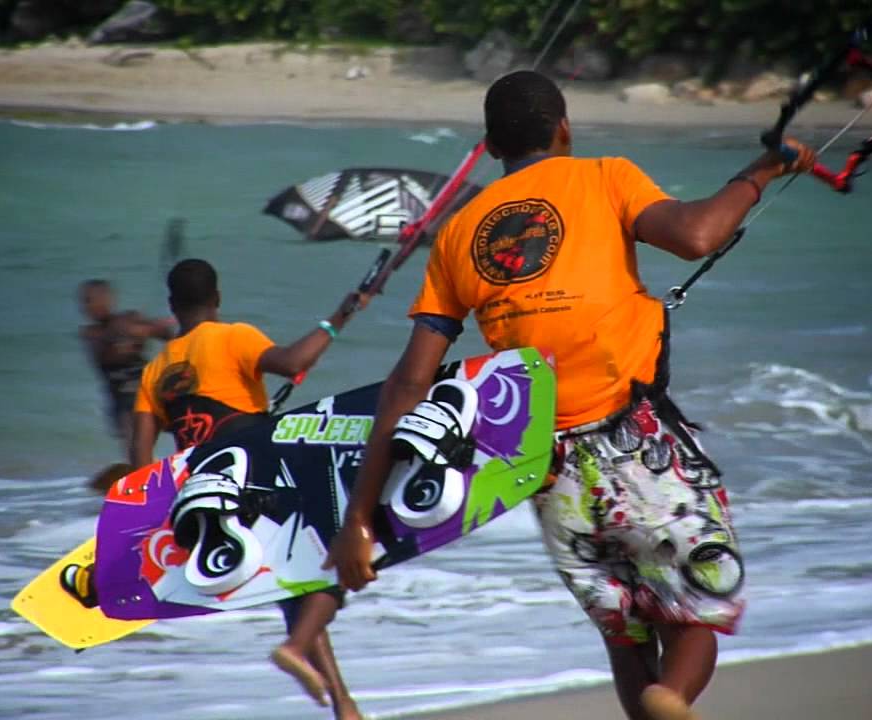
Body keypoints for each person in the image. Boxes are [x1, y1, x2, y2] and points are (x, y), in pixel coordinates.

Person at [323, 70, 818, 720]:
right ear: (564, 129)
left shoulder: (458, 232)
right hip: (637, 443)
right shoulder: (606, 176)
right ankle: (672, 696)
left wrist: (358, 519)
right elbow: (697, 235)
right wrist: (761, 171)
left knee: (626, 635)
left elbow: (409, 382)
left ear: (491, 147)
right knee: (695, 608)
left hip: (546, 468)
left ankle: (651, 700)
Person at [67, 259, 369, 720]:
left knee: (291, 584)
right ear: (218, 298)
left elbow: (140, 458)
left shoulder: (155, 371)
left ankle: (343, 705)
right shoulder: (233, 336)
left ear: (173, 305)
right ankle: (297, 650)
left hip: (204, 498)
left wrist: (149, 529)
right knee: (328, 560)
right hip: (260, 476)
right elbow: (295, 363)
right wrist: (339, 317)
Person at [78, 279, 174, 444]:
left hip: (150, 390)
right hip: (123, 401)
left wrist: (151, 329)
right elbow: (106, 356)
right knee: (134, 440)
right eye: (85, 302)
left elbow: (167, 335)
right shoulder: (91, 333)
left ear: (108, 299)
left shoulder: (129, 318)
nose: (89, 306)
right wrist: (129, 337)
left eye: (93, 300)